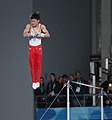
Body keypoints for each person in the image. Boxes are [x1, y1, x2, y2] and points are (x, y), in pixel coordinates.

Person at [23, 12, 50, 89]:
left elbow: (48, 35)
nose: (32, 23)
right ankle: (33, 81)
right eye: (31, 21)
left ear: (38, 21)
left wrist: (41, 34)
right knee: (32, 65)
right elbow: (24, 34)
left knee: (38, 65)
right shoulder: (29, 26)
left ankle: (37, 81)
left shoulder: (41, 26)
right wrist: (31, 34)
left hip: (38, 48)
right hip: (31, 48)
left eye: (34, 21)